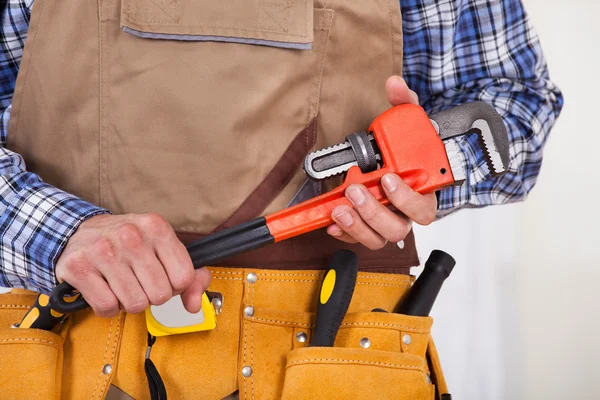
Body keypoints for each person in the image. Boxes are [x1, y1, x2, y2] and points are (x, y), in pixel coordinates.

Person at [0, 0, 562, 399]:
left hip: (336, 347)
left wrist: (417, 172)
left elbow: (518, 110)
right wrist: (57, 231)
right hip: (67, 338)